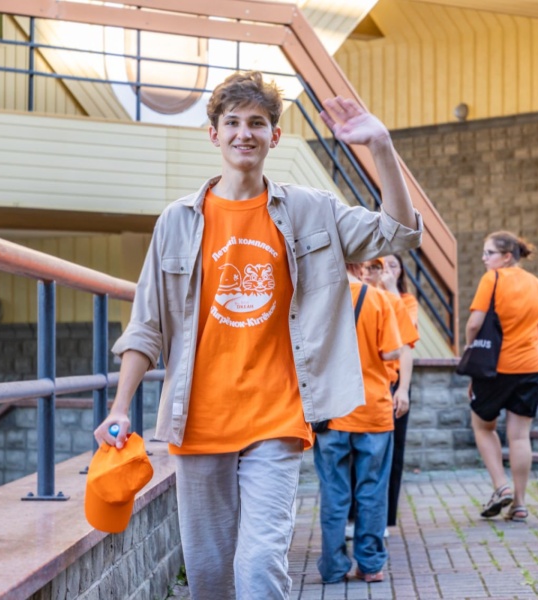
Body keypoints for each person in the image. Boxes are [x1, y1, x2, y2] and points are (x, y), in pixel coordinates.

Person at [94, 70, 423, 599]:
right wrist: (119, 407)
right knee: (209, 576)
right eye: (232, 122)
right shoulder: (177, 221)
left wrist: (380, 145)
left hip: (277, 418)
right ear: (214, 134)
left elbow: (399, 233)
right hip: (198, 420)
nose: (244, 133)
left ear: (275, 135)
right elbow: (146, 325)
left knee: (261, 565)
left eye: (257, 123)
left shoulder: (312, 210)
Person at [314, 263, 402, 584]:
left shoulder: (319, 299)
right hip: (373, 409)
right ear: (359, 265)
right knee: (372, 490)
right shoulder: (378, 298)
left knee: (333, 492)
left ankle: (333, 567)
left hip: (333, 411)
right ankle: (370, 564)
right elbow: (392, 350)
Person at [464, 231, 538, 523]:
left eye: (489, 253)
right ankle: (519, 503)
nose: (484, 258)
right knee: (519, 436)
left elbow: (474, 324)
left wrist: (470, 356)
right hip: (530, 369)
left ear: (506, 257)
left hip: (494, 368)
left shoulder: (491, 280)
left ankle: (500, 486)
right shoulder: (537, 285)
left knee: (482, 426)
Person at [365, 255, 420, 530]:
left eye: (393, 266)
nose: (386, 270)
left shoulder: (406, 300)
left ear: (401, 272)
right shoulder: (365, 296)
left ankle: (386, 518)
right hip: (369, 380)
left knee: (393, 451)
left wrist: (404, 389)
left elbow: (407, 339)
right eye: (380, 265)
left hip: (395, 381)